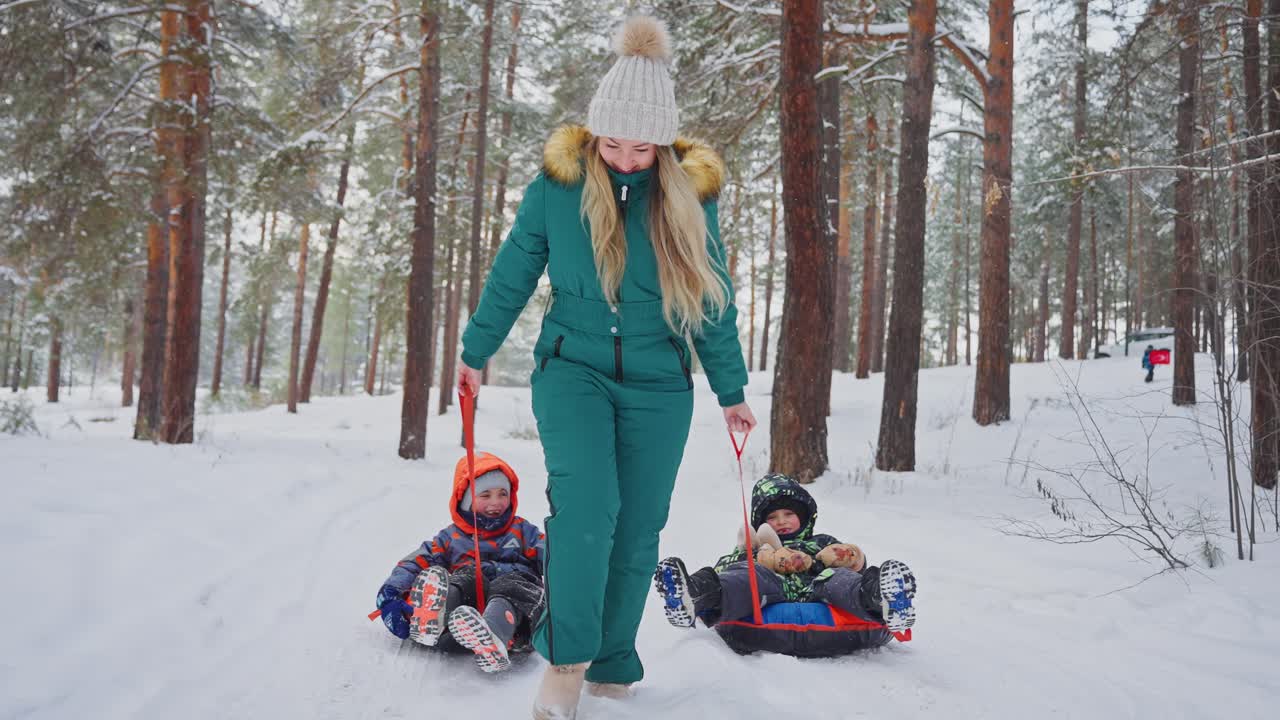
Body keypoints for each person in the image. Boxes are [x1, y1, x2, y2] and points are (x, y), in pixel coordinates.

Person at [456, 14, 756, 719]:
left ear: (663, 145)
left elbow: (712, 301)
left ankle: (614, 659)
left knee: (639, 526)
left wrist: (731, 389)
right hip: (573, 370)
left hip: (659, 380)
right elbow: (513, 272)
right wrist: (476, 350)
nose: (624, 158)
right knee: (587, 510)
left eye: (641, 147)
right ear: (594, 134)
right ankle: (565, 662)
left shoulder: (689, 200)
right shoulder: (558, 188)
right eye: (612, 143)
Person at [654, 474, 917, 638]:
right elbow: (726, 567)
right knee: (747, 577)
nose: (781, 522)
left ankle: (883, 599)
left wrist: (841, 556)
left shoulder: (819, 541)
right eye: (772, 517)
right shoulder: (756, 548)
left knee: (840, 578)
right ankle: (693, 594)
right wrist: (753, 555)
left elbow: (852, 562)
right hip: (771, 589)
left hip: (819, 588)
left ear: (803, 516)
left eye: (789, 514)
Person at [374, 452, 545, 674]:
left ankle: (493, 637)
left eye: (503, 493)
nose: (496, 502)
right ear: (466, 500)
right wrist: (391, 592)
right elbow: (416, 561)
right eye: (485, 495)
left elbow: (555, 557)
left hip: (518, 623)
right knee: (465, 577)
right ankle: (434, 618)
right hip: (462, 621)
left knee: (513, 584)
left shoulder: (523, 531)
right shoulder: (451, 538)